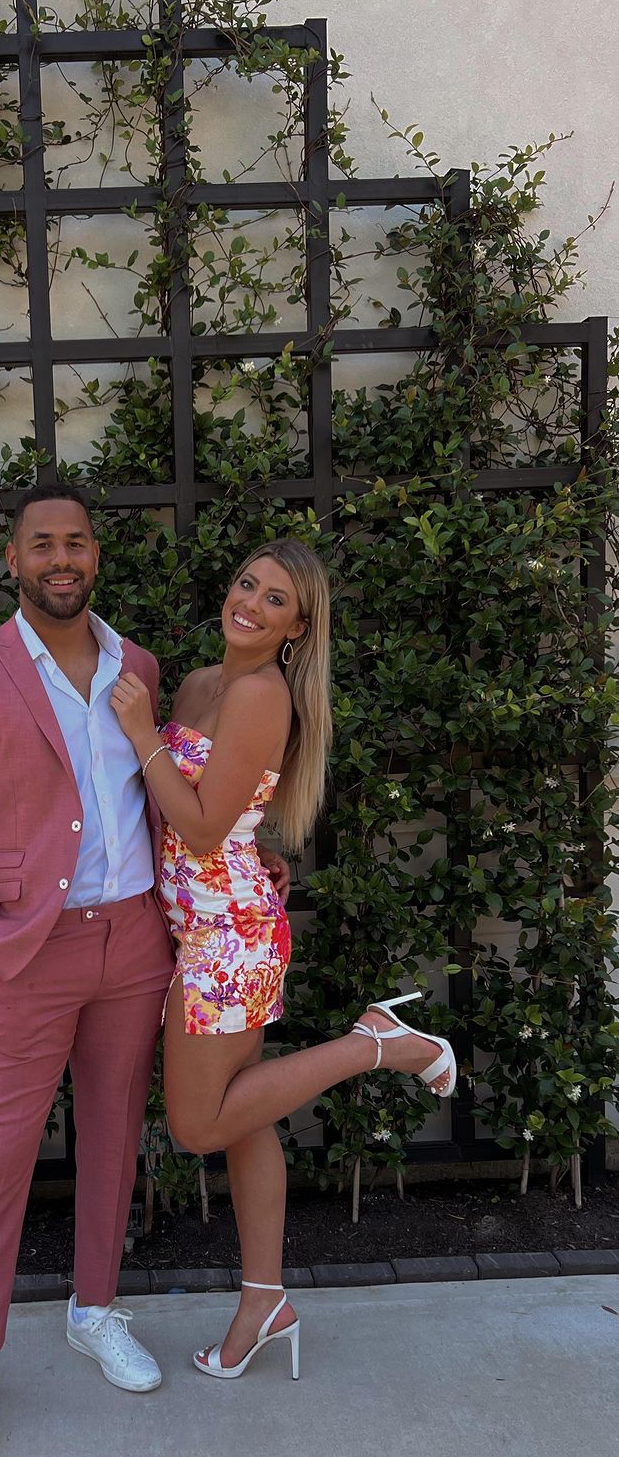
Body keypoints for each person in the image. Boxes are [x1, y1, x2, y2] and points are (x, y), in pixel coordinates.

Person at [0, 485, 294, 1457]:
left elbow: (177, 793)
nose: (61, 558)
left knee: (117, 1137)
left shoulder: (142, 668)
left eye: (75, 542)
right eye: (41, 544)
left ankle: (94, 1310)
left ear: (95, 555)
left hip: (138, 942)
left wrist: (250, 852)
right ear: (13, 560)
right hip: (29, 951)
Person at [110, 537, 456, 1381]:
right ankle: (264, 1301)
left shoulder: (263, 693)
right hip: (206, 921)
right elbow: (212, 815)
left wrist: (140, 735)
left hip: (227, 938)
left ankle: (377, 1045)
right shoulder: (199, 684)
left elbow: (196, 826)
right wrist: (253, 845)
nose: (251, 604)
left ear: (297, 628)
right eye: (247, 584)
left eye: (275, 600)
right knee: (244, 1118)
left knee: (198, 1125)